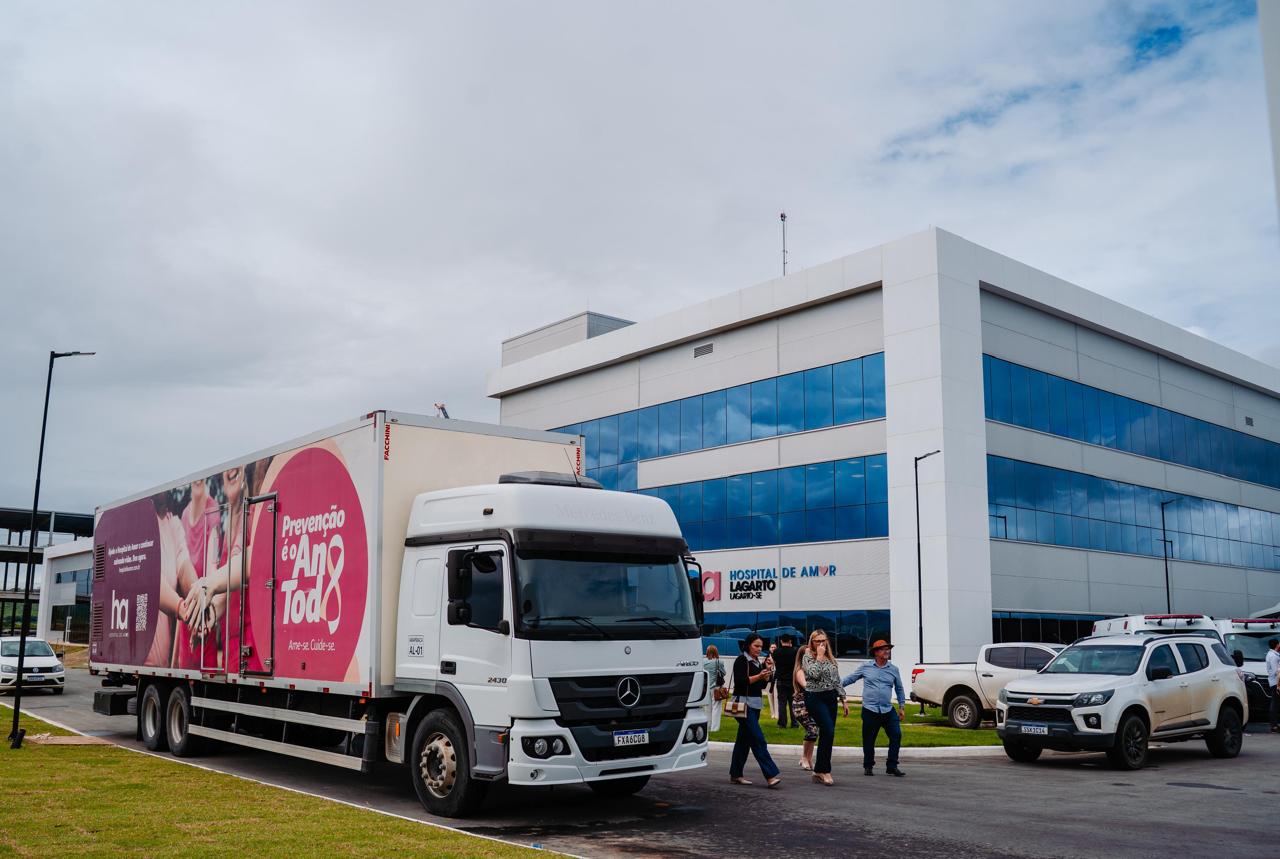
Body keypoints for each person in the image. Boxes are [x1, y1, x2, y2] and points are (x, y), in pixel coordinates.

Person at [842, 639, 907, 777]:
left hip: (888, 710)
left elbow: (900, 689)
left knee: (896, 735)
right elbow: (850, 679)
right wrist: (836, 686)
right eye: (884, 649)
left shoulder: (894, 670)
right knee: (869, 739)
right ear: (876, 652)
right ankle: (868, 766)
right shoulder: (866, 667)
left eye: (888, 649)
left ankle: (892, 765)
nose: (887, 651)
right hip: (870, 710)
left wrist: (902, 706)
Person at [728, 633, 782, 787]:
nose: (759, 649)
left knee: (743, 741)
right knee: (758, 739)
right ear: (748, 645)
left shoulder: (758, 662)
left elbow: (761, 687)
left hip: (755, 705)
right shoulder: (741, 660)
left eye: (761, 646)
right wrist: (759, 676)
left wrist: (766, 675)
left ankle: (736, 775)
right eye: (756, 646)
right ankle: (770, 775)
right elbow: (741, 682)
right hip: (743, 705)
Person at [799, 629, 848, 785]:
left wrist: (843, 698)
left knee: (829, 734)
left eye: (823, 640)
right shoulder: (807, 655)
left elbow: (837, 680)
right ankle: (824, 770)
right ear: (812, 642)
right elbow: (813, 674)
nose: (821, 643)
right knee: (827, 729)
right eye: (817, 641)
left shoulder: (831, 658)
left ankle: (820, 770)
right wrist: (819, 656)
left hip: (830, 696)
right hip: (814, 696)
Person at [789, 643, 820, 770]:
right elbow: (807, 686)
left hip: (811, 703)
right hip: (801, 704)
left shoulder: (810, 669)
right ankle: (804, 758)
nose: (811, 655)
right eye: (808, 654)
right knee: (812, 729)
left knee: (814, 731)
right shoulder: (800, 670)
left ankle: (808, 758)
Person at [773, 633, 797, 728]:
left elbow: (775, 663)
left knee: (782, 703)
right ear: (790, 641)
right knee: (793, 703)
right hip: (792, 680)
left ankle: (782, 724)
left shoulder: (776, 652)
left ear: (781, 641)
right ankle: (794, 723)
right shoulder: (795, 651)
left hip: (780, 680)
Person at [704, 644, 727, 733]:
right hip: (716, 688)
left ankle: (708, 727)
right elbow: (723, 673)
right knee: (716, 708)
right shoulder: (719, 662)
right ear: (716, 652)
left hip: (706, 688)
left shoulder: (703, 662)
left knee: (707, 708)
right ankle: (715, 728)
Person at [1266, 638, 1280, 733]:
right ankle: (1274, 725)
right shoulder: (1274, 656)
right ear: (1276, 645)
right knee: (1275, 703)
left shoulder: (1271, 654)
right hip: (1276, 682)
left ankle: (1275, 724)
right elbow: (1277, 671)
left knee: (1276, 703)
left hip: (1274, 681)